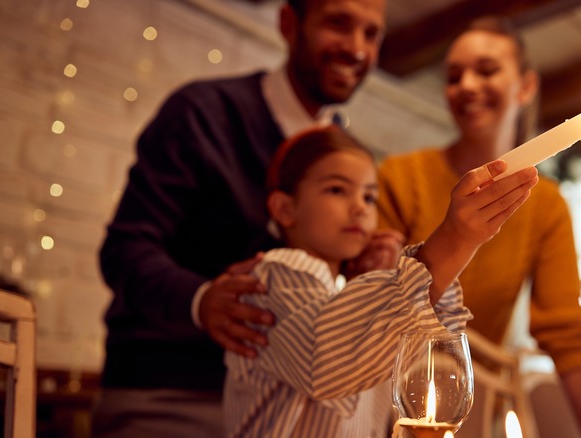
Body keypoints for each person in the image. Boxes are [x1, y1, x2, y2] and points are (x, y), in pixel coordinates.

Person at [94, 0, 388, 436]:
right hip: (178, 394)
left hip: (288, 410)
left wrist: (359, 268)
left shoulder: (345, 153)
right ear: (289, 23)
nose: (356, 48)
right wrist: (202, 301)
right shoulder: (201, 113)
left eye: (371, 33)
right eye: (338, 24)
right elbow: (124, 251)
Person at [375, 16, 581, 437]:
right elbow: (375, 303)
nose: (466, 85)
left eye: (486, 70)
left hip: (472, 406)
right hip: (388, 399)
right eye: (453, 76)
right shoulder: (400, 177)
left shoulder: (545, 204)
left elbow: (565, 333)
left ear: (525, 87)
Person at [223, 125, 539, 437]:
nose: (360, 207)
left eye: (369, 197)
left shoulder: (347, 292)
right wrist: (454, 240)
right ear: (284, 208)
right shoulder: (273, 275)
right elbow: (326, 362)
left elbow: (430, 337)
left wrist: (382, 279)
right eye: (337, 190)